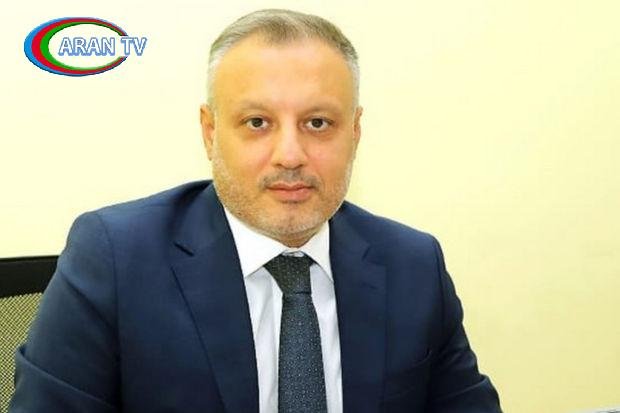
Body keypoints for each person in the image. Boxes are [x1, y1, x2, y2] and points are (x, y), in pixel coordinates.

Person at [10, 8, 502, 413]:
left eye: (317, 122)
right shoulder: (114, 259)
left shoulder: (414, 265)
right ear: (210, 132)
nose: (290, 155)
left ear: (354, 133)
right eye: (257, 122)